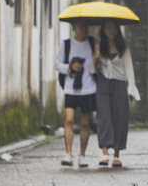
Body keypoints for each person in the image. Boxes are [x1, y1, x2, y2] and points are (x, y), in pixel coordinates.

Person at [93, 20, 140, 168]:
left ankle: (117, 155)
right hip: (103, 83)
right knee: (104, 117)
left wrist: (131, 89)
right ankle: (105, 153)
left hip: (119, 84)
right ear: (103, 30)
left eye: (113, 28)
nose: (111, 31)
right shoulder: (98, 47)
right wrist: (96, 64)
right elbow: (92, 69)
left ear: (117, 30)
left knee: (120, 118)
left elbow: (129, 69)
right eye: (108, 28)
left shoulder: (123, 47)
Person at [55, 20, 97, 168]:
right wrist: (70, 68)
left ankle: (82, 155)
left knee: (86, 123)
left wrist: (96, 61)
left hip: (88, 88)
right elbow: (57, 63)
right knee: (69, 120)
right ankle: (68, 153)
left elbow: (98, 64)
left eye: (85, 26)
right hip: (70, 88)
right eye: (80, 26)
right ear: (74, 28)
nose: (83, 29)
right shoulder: (66, 44)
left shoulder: (93, 43)